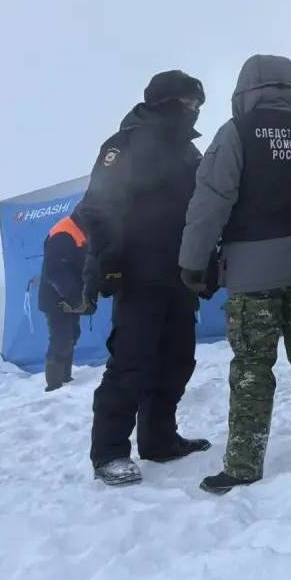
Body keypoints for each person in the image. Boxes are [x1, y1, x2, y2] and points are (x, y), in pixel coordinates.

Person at [178, 54, 291, 494]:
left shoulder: (236, 134)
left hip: (253, 277)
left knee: (254, 366)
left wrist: (193, 262)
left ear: (245, 91)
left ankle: (243, 464)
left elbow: (210, 201)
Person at [77, 70, 213, 487]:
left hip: (179, 276)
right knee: (131, 363)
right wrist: (111, 263)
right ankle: (110, 452)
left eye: (197, 105)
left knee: (176, 360)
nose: (194, 111)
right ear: (166, 102)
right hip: (137, 274)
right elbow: (97, 208)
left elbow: (205, 210)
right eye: (189, 103)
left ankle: (158, 439)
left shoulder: (190, 154)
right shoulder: (125, 145)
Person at [38, 212, 94, 391]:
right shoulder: (64, 232)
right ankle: (54, 385)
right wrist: (75, 297)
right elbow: (54, 271)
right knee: (61, 338)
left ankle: (65, 377)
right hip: (56, 298)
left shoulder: (82, 231)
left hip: (71, 297)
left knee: (72, 335)